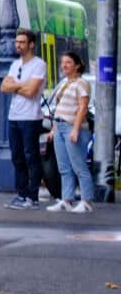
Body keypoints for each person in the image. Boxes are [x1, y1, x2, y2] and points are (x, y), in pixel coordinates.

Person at [1, 28, 47, 210]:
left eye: (21, 42)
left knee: (31, 156)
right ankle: (21, 194)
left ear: (31, 45)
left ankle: (33, 197)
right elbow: (4, 87)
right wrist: (22, 85)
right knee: (17, 156)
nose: (17, 45)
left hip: (30, 117)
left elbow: (31, 91)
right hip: (14, 116)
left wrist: (15, 86)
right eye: (16, 42)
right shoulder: (15, 65)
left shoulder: (39, 65)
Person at [46, 52, 95, 213]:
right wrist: (53, 129)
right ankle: (66, 200)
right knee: (64, 167)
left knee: (78, 166)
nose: (64, 65)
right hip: (60, 127)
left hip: (73, 128)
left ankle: (86, 202)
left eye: (68, 62)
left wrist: (75, 130)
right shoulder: (65, 84)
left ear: (77, 65)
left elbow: (83, 108)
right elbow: (58, 109)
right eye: (62, 63)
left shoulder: (82, 83)